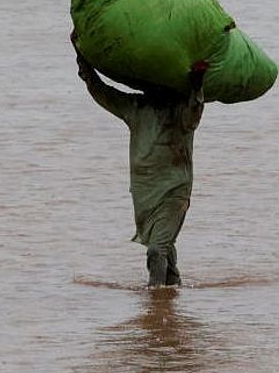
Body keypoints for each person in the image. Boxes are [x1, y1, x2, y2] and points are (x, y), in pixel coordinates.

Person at [73, 32, 207, 288]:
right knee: (164, 250)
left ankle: (154, 300)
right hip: (145, 193)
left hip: (174, 190)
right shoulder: (135, 108)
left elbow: (193, 117)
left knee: (157, 249)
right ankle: (171, 297)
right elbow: (100, 91)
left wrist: (197, 85)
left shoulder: (180, 109)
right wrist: (82, 59)